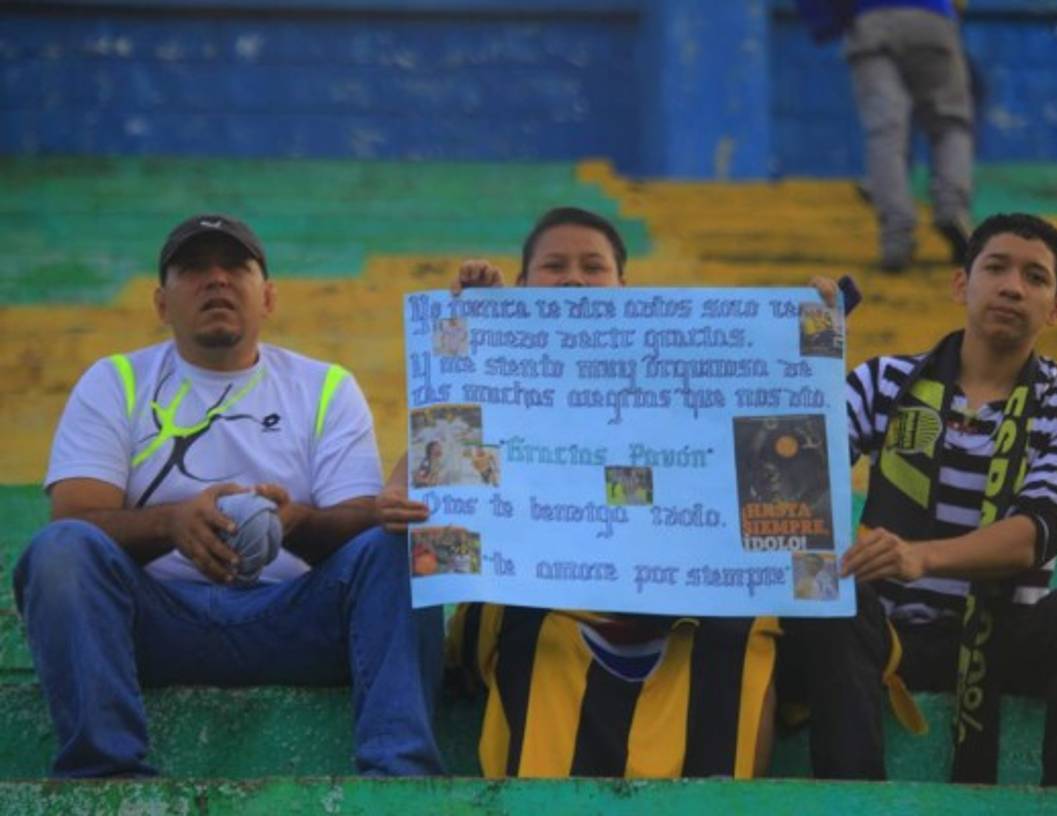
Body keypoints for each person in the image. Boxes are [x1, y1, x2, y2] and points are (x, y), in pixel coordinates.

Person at [14, 213, 443, 778]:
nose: (215, 279)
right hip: (153, 623)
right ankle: (104, 777)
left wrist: (299, 521)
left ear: (266, 297)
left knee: (399, 545)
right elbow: (73, 519)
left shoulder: (325, 387)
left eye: (234, 266)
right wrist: (173, 526)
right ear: (161, 303)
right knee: (60, 550)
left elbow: (358, 536)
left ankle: (400, 776)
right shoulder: (113, 381)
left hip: (294, 619)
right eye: (192, 268)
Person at [377, 207, 782, 778]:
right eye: (554, 266)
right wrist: (478, 351)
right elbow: (419, 477)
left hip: (665, 603)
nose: (574, 280)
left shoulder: (678, 384)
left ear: (624, 289)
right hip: (537, 605)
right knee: (532, 627)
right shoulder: (499, 382)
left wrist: (804, 331)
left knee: (748, 627)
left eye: (594, 267)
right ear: (521, 288)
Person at [785, 212, 1057, 788]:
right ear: (962, 283)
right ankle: (854, 799)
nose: (1013, 286)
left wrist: (924, 557)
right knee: (830, 600)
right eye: (995, 268)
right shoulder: (884, 381)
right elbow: (792, 471)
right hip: (882, 630)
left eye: (1036, 278)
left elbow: (1037, 532)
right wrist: (807, 352)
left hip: (1001, 635)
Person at [795, 0, 974, 271]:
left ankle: (896, 235)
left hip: (871, 23)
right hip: (931, 18)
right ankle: (952, 210)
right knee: (950, 124)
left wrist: (825, 24)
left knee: (885, 133)